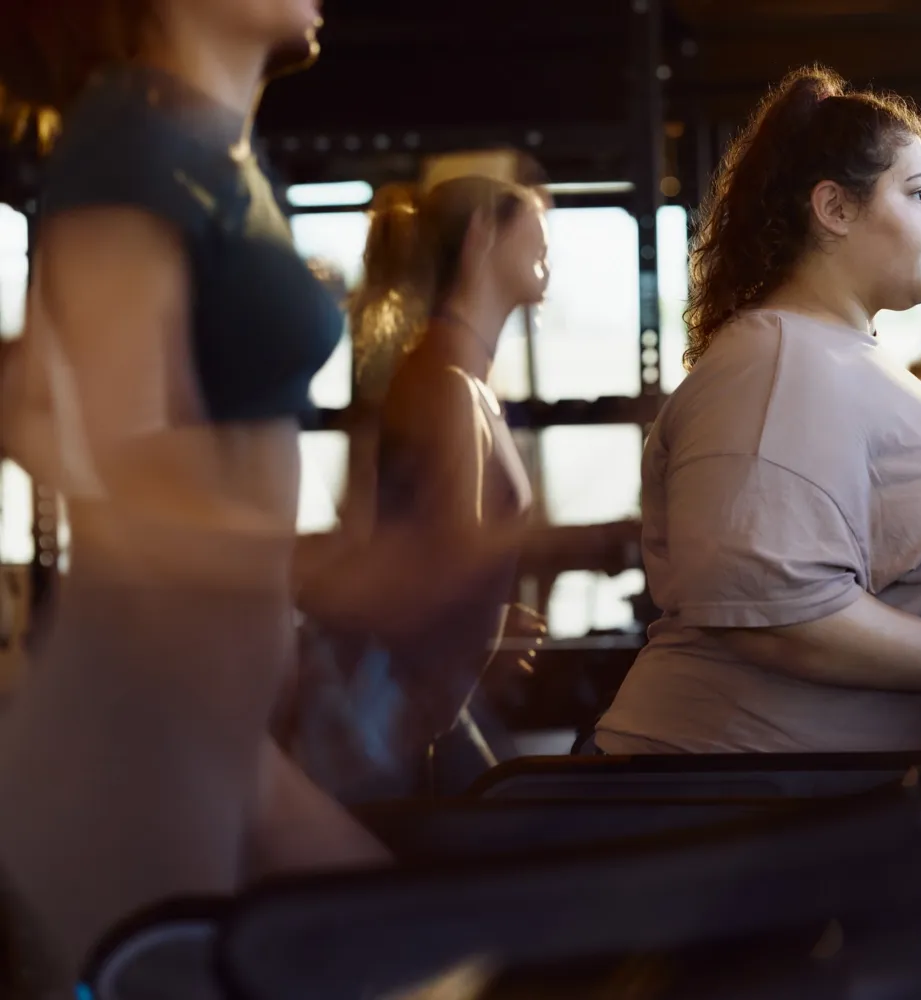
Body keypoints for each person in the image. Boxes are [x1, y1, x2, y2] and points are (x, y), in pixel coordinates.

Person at [0, 1, 389, 989]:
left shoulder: (232, 158)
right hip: (132, 735)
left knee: (422, 954)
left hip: (211, 731)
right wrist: (348, 571)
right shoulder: (129, 146)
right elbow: (129, 470)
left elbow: (44, 407)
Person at [593, 66, 921, 756]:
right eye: (917, 192)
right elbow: (771, 611)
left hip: (800, 810)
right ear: (835, 210)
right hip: (719, 815)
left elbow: (889, 558)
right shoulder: (779, 368)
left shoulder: (835, 353)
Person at [289, 173, 552, 799]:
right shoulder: (445, 380)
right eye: (534, 217)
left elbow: (440, 552)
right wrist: (612, 536)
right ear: (483, 234)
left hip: (428, 708)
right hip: (396, 716)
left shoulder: (466, 381)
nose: (549, 231)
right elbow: (437, 568)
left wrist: (487, 622)